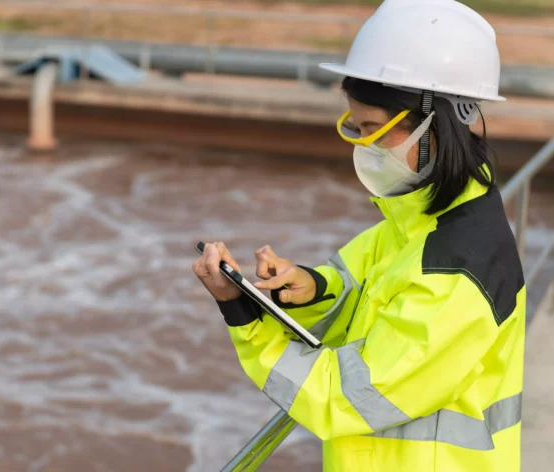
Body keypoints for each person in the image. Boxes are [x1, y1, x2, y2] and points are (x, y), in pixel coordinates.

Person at [192, 0, 525, 470]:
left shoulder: (456, 271)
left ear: (438, 126)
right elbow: (362, 284)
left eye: (374, 129)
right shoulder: (422, 221)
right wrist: (311, 286)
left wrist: (244, 317)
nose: (363, 146)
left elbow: (343, 398)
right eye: (356, 127)